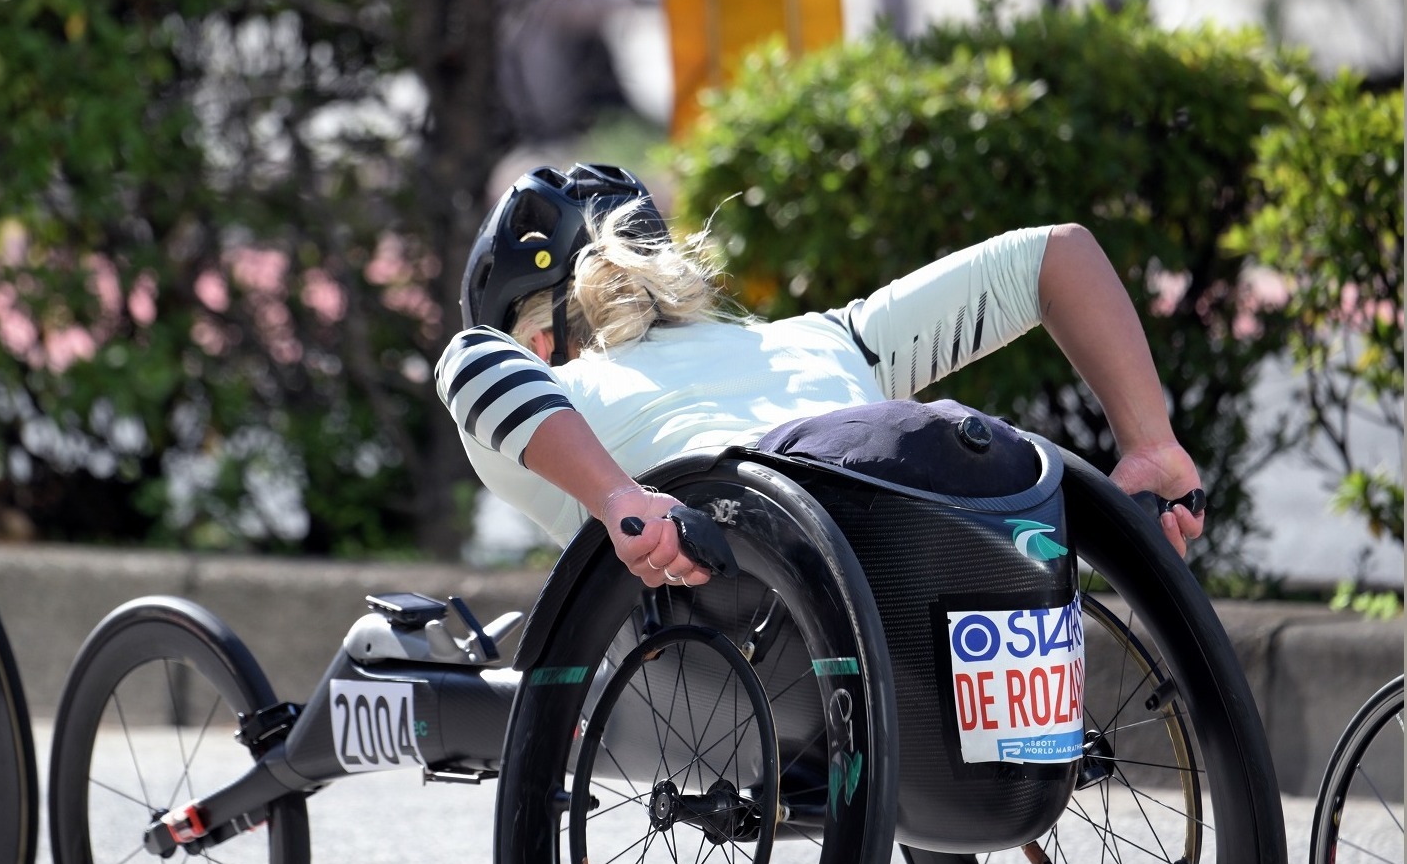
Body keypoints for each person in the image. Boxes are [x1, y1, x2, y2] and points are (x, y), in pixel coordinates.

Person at [436, 163, 1205, 590]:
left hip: (778, 570)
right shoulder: (830, 339)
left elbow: (468, 359)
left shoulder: (560, 398)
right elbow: (1056, 255)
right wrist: (1149, 443)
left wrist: (620, 502)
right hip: (958, 509)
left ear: (538, 340)